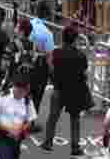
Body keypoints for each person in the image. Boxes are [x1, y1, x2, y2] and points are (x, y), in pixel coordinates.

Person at [40, 25, 90, 156]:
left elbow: (51, 68)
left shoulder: (56, 52)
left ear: (63, 38)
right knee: (75, 119)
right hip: (75, 90)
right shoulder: (81, 55)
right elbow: (84, 72)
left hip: (59, 89)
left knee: (53, 117)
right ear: (75, 40)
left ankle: (47, 142)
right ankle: (75, 147)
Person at [0, 73, 36, 159]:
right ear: (14, 86)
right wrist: (9, 129)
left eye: (25, 92)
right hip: (0, 136)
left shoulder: (27, 100)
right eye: (20, 91)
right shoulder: (1, 97)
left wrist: (21, 129)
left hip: (16, 138)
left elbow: (30, 119)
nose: (22, 94)